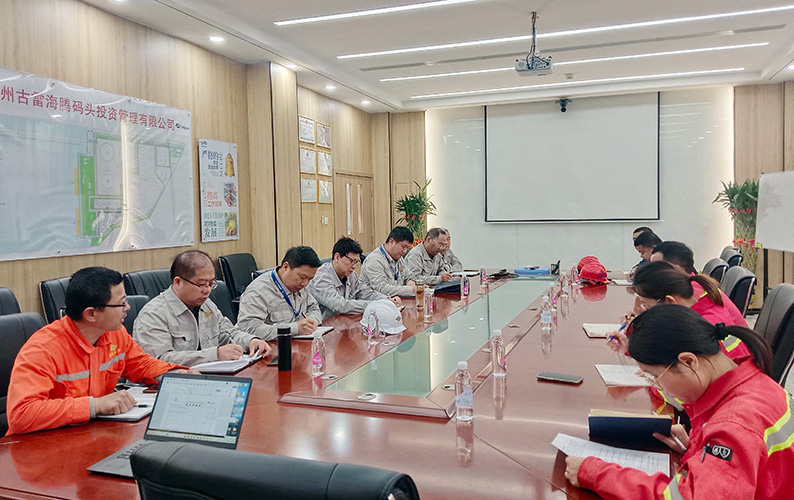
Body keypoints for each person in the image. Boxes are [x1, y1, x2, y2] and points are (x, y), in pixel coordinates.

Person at [565, 304, 794, 500]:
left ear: (688, 362)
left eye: (655, 376)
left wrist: (595, 473)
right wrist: (696, 448)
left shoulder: (735, 425)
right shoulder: (754, 383)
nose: (657, 386)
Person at [6, 266, 191, 435]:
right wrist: (95, 406)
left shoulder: (114, 333)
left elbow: (140, 364)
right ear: (91, 313)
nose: (127, 308)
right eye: (121, 304)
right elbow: (22, 415)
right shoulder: (43, 350)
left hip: (92, 434)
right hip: (41, 444)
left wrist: (173, 376)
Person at [133, 250, 271, 366]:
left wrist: (251, 341)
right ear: (178, 282)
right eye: (201, 284)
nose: (207, 290)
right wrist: (215, 355)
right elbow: (157, 361)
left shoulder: (206, 305)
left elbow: (229, 333)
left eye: (211, 284)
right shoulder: (153, 314)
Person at [608, 261, 750, 362]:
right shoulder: (693, 309)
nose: (645, 312)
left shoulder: (701, 327)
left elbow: (676, 377)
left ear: (669, 301)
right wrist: (630, 346)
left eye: (648, 306)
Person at [237, 246, 323, 340]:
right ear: (286, 267)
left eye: (310, 279)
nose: (305, 283)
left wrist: (310, 322)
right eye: (302, 277)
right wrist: (294, 328)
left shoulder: (300, 286)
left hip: (297, 343)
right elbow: (249, 329)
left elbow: (313, 308)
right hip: (268, 346)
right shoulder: (258, 291)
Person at [309, 237, 400, 319]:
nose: (354, 266)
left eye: (356, 262)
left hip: (345, 322)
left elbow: (365, 292)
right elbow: (340, 305)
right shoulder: (321, 277)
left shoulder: (351, 275)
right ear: (337, 257)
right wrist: (375, 305)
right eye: (351, 261)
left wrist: (386, 299)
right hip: (326, 327)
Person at [360, 226, 417, 297]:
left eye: (407, 248)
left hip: (395, 299)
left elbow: (408, 276)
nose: (405, 251)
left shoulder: (398, 257)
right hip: (375, 301)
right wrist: (411, 290)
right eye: (403, 246)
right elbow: (382, 289)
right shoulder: (374, 260)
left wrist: (410, 282)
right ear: (392, 241)